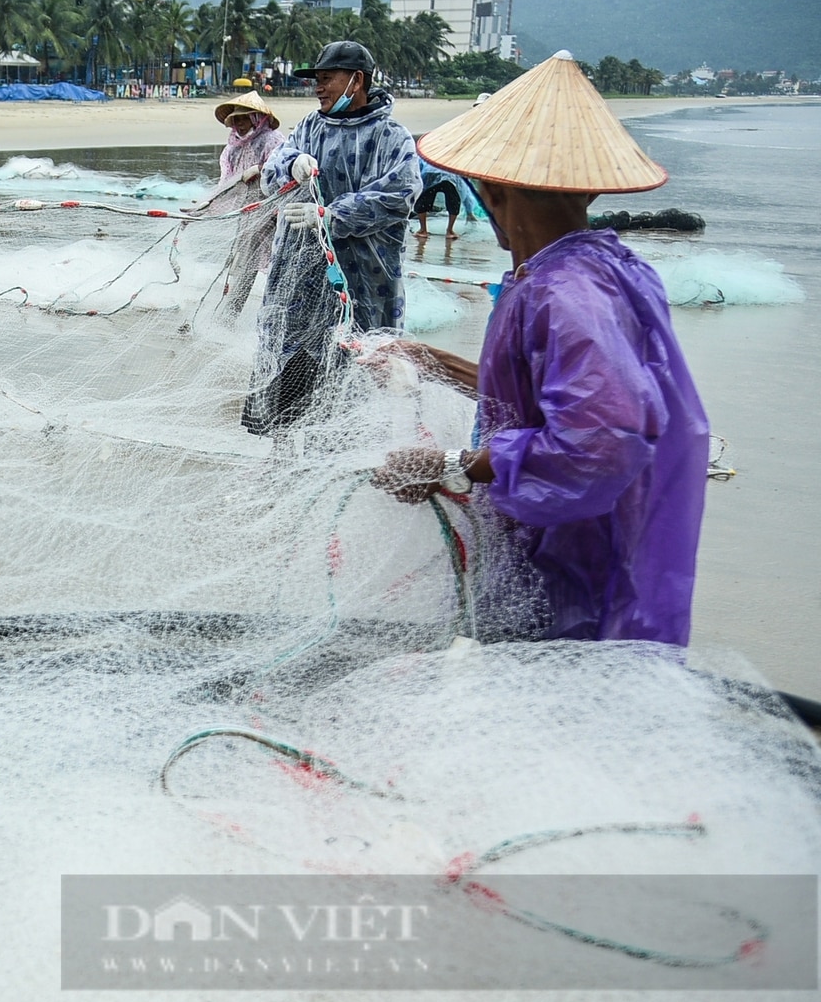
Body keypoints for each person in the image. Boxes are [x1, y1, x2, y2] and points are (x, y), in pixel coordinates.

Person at [372, 51, 707, 645]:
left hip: (567, 575)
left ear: (494, 191)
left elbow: (598, 442)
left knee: (544, 702)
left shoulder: (565, 293)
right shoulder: (599, 269)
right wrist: (432, 361)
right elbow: (552, 397)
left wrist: (450, 465)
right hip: (577, 559)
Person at [246, 40, 421, 435]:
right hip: (299, 283)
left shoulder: (392, 137)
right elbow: (271, 172)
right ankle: (285, 458)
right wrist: (292, 164)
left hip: (364, 282)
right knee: (292, 369)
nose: (319, 88)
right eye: (317, 80)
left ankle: (345, 462)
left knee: (355, 370)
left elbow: (400, 194)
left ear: (356, 81)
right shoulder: (309, 127)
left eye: (328, 79)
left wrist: (331, 216)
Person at [206, 89, 285, 317]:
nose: (239, 125)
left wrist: (261, 170)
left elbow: (284, 168)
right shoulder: (234, 149)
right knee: (245, 263)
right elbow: (228, 183)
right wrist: (206, 205)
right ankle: (231, 314)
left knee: (278, 263)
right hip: (249, 212)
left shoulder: (272, 140)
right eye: (236, 120)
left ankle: (270, 313)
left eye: (243, 118)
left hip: (274, 209)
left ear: (255, 118)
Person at [412, 157, 476, 238]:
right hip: (451, 175)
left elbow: (417, 170)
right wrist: (469, 212)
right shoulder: (459, 157)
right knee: (453, 200)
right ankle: (449, 231)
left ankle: (423, 229)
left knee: (423, 199)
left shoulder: (428, 151)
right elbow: (466, 189)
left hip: (430, 172)